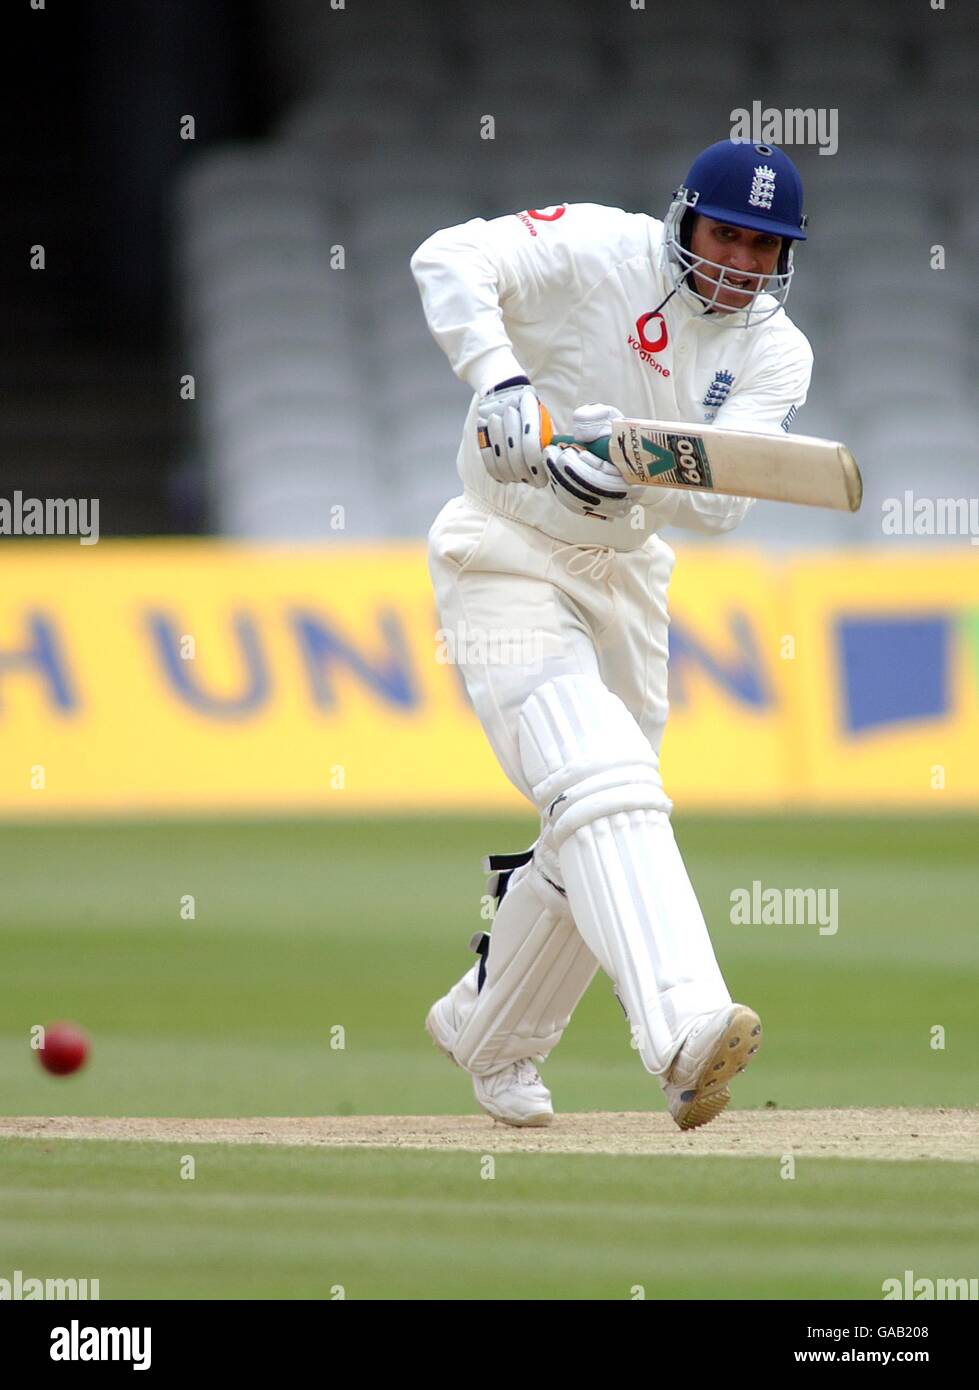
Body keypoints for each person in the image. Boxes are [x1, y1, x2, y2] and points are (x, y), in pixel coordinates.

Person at [410, 138, 812, 1130]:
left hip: (627, 574)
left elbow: (722, 510)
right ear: (683, 220)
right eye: (726, 235)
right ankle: (684, 1034)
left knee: (589, 827)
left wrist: (633, 472)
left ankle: (486, 1031)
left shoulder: (776, 350)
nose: (741, 265)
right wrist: (500, 380)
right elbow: (445, 257)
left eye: (766, 249)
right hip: (504, 548)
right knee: (602, 782)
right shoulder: (597, 247)